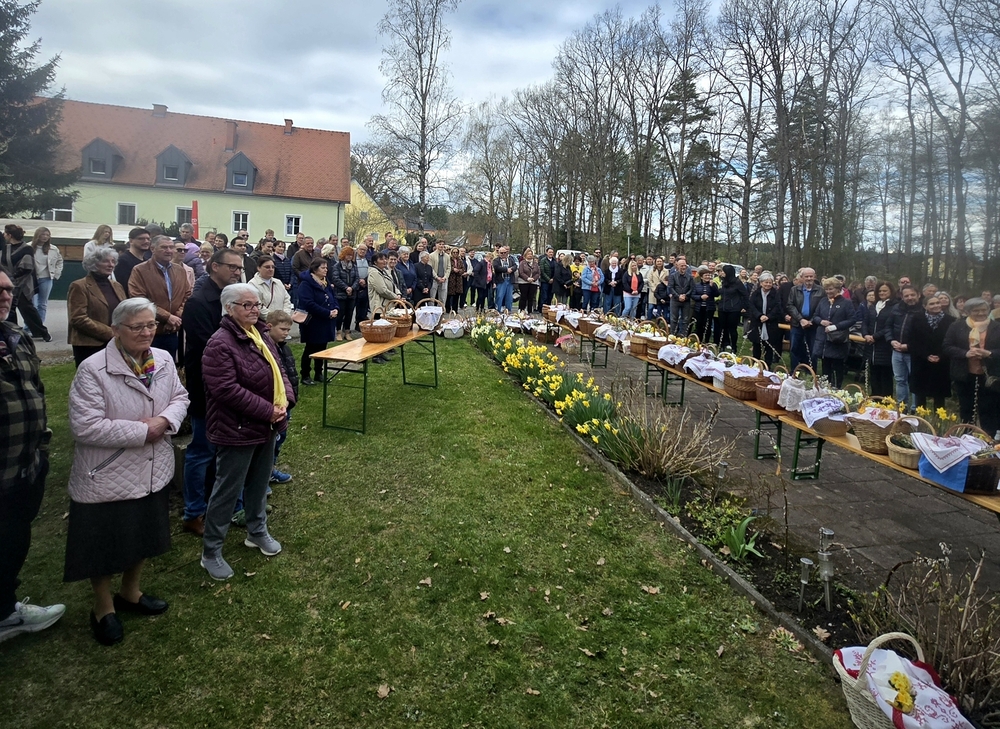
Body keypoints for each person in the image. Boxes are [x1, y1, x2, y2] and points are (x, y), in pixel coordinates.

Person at [65, 298, 188, 645]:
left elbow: (180, 397)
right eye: (137, 327)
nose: (147, 332)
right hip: (108, 471)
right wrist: (143, 431)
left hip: (152, 467)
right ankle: (103, 606)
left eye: (151, 325)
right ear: (116, 329)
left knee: (144, 534)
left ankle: (130, 592)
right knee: (103, 543)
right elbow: (85, 426)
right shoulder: (93, 369)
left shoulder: (162, 359)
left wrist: (165, 421)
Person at [200, 284, 294, 581]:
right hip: (237, 428)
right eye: (247, 305)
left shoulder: (260, 334)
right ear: (229, 308)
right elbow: (225, 389)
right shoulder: (220, 343)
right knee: (227, 490)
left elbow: (279, 370)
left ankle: (257, 531)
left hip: (267, 425)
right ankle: (211, 551)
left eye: (256, 305)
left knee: (259, 483)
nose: (254, 310)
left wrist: (286, 400)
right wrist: (268, 410)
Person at [0, 270, 66, 644]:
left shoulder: (17, 336)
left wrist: (41, 448)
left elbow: (36, 390)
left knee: (13, 537)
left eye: (9, 289)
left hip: (25, 463)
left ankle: (5, 610)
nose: (5, 295)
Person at [180, 249, 243, 537]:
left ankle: (230, 501)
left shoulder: (234, 296)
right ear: (214, 266)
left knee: (229, 446)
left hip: (234, 381)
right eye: (232, 266)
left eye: (239, 267)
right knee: (202, 448)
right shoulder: (198, 302)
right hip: (206, 384)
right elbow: (210, 346)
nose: (237, 271)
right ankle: (194, 511)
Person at [128, 235, 191, 360]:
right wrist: (167, 317)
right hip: (149, 332)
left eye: (171, 247)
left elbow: (187, 295)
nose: (169, 251)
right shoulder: (140, 270)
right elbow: (139, 299)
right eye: (164, 247)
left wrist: (176, 317)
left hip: (172, 330)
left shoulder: (180, 270)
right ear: (153, 249)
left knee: (167, 366)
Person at [943, 298, 1000, 435]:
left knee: (989, 410)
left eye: (983, 310)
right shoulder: (957, 326)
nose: (981, 313)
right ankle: (966, 437)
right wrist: (965, 353)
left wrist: (990, 353)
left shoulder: (997, 327)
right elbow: (947, 346)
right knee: (966, 409)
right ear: (968, 312)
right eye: (976, 311)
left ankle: (988, 439)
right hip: (964, 374)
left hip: (990, 376)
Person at [67, 248, 127, 367]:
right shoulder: (79, 286)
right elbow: (78, 318)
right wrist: (110, 333)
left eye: (113, 261)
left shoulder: (117, 286)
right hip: (90, 345)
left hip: (116, 343)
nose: (111, 265)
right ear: (93, 263)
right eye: (106, 261)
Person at [2, 224, 50, 341]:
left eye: (5, 233)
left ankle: (42, 333)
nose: (4, 235)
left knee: (27, 310)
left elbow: (27, 268)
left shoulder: (27, 249)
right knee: (9, 310)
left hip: (23, 284)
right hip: (8, 284)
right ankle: (13, 334)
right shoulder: (5, 248)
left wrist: (13, 277)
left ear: (10, 235)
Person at [265, 310, 297, 485]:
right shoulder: (265, 348)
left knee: (280, 436)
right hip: (274, 403)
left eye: (288, 330)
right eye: (283, 329)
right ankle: (264, 474)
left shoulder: (284, 348)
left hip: (286, 401)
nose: (286, 333)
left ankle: (271, 469)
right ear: (269, 327)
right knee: (271, 440)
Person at [907, 294, 955, 410]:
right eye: (932, 304)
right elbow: (912, 341)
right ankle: (921, 418)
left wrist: (940, 356)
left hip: (941, 362)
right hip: (921, 361)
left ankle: (938, 419)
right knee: (920, 395)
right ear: (925, 306)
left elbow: (952, 341)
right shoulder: (916, 319)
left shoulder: (950, 320)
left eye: (937, 303)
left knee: (939, 396)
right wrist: (926, 355)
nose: (936, 306)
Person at [297, 258, 339, 384]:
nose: (326, 270)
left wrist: (336, 308)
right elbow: (308, 303)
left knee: (322, 348)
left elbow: (333, 297)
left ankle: (319, 373)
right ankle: (305, 375)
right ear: (315, 269)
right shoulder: (306, 284)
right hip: (313, 322)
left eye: (326, 268)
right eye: (323, 268)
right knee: (310, 348)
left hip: (326, 321)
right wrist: (327, 313)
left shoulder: (325, 282)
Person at [813, 277, 856, 388]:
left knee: (837, 367)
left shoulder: (846, 303)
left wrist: (836, 327)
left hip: (837, 339)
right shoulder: (823, 301)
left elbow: (852, 319)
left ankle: (836, 389)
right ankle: (824, 389)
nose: (828, 291)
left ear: (838, 289)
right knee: (825, 366)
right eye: (826, 289)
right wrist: (821, 321)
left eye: (831, 289)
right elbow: (815, 316)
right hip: (823, 339)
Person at [888, 285, 923, 408]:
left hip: (914, 353)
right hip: (897, 351)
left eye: (912, 295)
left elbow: (924, 335)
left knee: (915, 381)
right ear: (902, 297)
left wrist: (908, 346)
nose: (910, 298)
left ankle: (915, 408)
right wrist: (891, 340)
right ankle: (902, 406)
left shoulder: (923, 310)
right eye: (906, 296)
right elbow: (888, 326)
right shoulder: (897, 308)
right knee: (899, 380)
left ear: (918, 295)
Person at [862, 282, 897, 397]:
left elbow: (890, 326)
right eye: (880, 291)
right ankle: (874, 398)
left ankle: (886, 401)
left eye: (885, 291)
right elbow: (865, 322)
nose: (882, 293)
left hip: (884, 345)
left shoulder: (894, 307)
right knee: (874, 374)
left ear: (891, 291)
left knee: (885, 376)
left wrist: (875, 336)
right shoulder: (873, 305)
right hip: (870, 346)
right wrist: (865, 334)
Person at [787, 267, 823, 370]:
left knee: (812, 350)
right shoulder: (794, 290)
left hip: (813, 325)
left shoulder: (821, 291)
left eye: (811, 276)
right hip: (797, 324)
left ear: (814, 277)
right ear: (802, 277)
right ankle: (794, 371)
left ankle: (811, 373)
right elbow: (790, 305)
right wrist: (801, 319)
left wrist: (811, 321)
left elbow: (821, 307)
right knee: (794, 348)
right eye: (806, 276)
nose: (809, 278)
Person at [747, 272, 783, 368]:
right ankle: (756, 364)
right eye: (766, 282)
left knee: (769, 346)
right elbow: (751, 306)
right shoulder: (756, 293)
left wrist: (768, 316)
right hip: (757, 322)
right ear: (761, 283)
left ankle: (767, 365)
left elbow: (778, 307)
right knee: (756, 345)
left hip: (770, 322)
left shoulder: (775, 294)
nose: (768, 284)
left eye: (770, 282)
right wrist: (759, 315)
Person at [30, 227, 63, 326]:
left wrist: (56, 273)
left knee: (42, 304)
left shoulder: (53, 249)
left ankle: (40, 325)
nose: (45, 237)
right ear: (37, 235)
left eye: (47, 235)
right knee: (32, 304)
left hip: (46, 278)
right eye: (43, 234)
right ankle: (30, 326)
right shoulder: (28, 247)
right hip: (31, 278)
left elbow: (59, 261)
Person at [249, 255, 293, 320]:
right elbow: (258, 306)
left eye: (273, 267)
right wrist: (274, 319)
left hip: (282, 321)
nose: (271, 269)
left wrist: (285, 316)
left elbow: (286, 300)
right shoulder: (252, 284)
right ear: (258, 268)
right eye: (267, 267)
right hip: (265, 322)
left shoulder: (278, 282)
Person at [331, 246, 359, 341]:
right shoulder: (337, 266)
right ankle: (338, 332)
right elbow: (336, 279)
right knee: (340, 313)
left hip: (352, 294)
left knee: (349, 314)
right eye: (347, 255)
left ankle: (347, 331)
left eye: (351, 255)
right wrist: (346, 287)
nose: (349, 257)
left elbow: (357, 278)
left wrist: (352, 288)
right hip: (340, 294)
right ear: (343, 255)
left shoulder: (354, 266)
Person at [718, 264, 749, 351]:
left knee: (732, 329)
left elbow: (745, 295)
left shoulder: (737, 283)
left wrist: (744, 306)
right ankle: (723, 345)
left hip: (733, 309)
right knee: (723, 328)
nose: (722, 273)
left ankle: (734, 347)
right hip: (722, 308)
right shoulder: (723, 282)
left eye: (723, 271)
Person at [113, 228, 152, 293]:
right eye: (141, 239)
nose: (146, 241)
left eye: (148, 239)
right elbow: (123, 286)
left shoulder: (147, 261)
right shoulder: (123, 261)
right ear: (131, 241)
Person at [668, 258, 695, 336]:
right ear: (677, 266)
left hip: (686, 300)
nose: (683, 267)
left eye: (685, 266)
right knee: (673, 318)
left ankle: (683, 335)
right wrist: (678, 296)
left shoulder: (690, 277)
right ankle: (672, 334)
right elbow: (671, 287)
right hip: (675, 300)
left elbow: (692, 288)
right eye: (681, 265)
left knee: (685, 319)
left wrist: (685, 296)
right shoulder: (672, 276)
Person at [691, 266, 719, 342]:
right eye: (706, 275)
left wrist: (712, 287)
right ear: (701, 277)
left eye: (709, 275)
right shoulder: (697, 285)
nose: (707, 277)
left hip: (709, 308)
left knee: (708, 324)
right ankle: (699, 340)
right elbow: (693, 295)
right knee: (699, 324)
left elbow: (717, 294)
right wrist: (700, 297)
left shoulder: (713, 284)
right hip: (699, 308)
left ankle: (706, 341)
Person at [493, 246, 517, 313]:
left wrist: (511, 269)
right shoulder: (496, 260)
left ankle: (508, 310)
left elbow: (515, 266)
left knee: (509, 297)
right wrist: (506, 270)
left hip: (509, 280)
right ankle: (498, 310)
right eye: (501, 253)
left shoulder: (510, 259)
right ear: (498, 253)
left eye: (504, 252)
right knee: (499, 296)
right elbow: (496, 267)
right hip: (501, 280)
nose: (503, 254)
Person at [517, 248, 540, 314]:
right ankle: (521, 310)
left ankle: (530, 311)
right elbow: (521, 272)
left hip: (533, 282)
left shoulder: (535, 263)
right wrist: (527, 278)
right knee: (523, 296)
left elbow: (538, 273)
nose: (530, 255)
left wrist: (533, 279)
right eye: (528, 254)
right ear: (525, 255)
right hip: (523, 282)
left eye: (531, 254)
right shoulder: (522, 263)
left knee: (531, 297)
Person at [428, 240, 450, 306]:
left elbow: (449, 267)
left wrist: (445, 277)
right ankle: (431, 310)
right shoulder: (431, 255)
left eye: (442, 244)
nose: (441, 246)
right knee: (432, 297)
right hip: (434, 279)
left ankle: (441, 309)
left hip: (444, 279)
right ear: (436, 245)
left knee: (443, 297)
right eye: (439, 244)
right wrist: (436, 277)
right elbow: (430, 268)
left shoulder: (447, 256)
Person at [447, 247, 465, 312]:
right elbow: (447, 267)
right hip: (451, 279)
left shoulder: (460, 260)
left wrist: (459, 271)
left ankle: (455, 309)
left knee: (457, 295)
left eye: (456, 252)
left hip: (458, 279)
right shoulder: (449, 259)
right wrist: (453, 269)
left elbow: (463, 269)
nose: (455, 253)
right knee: (449, 295)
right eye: (454, 252)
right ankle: (448, 309)